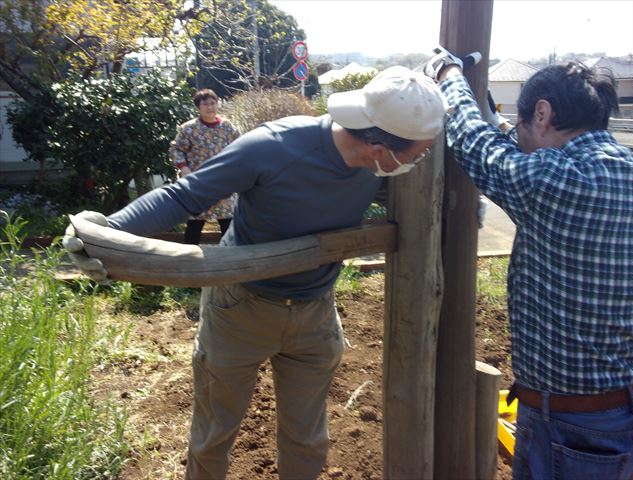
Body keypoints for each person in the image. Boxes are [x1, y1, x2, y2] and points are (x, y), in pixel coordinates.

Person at [63, 66, 448, 479]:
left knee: (307, 437)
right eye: (418, 153)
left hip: (314, 312)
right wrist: (106, 231)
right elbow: (185, 195)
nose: (420, 161)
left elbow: (435, 199)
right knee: (215, 431)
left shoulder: (379, 170)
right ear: (380, 147)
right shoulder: (273, 147)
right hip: (240, 307)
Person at [427, 49, 633, 479]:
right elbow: (524, 157)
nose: (519, 136)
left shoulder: (554, 182)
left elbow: (474, 143)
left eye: (525, 124)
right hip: (624, 408)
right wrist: (504, 123)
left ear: (542, 113)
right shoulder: (627, 169)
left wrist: (448, 74)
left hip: (568, 428)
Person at [170, 88, 240, 244]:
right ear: (198, 107)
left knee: (227, 221)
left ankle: (229, 256)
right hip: (198, 181)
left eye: (213, 103)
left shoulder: (228, 127)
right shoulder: (188, 128)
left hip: (223, 181)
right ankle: (189, 256)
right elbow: (176, 149)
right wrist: (184, 168)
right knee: (195, 220)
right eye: (205, 104)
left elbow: (240, 147)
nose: (210, 107)